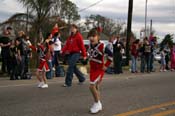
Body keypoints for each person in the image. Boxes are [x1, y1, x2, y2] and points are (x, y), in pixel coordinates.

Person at [87, 27, 113, 114]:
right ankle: (99, 103)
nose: (91, 38)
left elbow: (111, 56)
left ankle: (97, 103)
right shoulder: (90, 46)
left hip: (99, 69)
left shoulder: (102, 46)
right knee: (96, 86)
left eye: (93, 36)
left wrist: (106, 65)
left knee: (91, 86)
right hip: (93, 69)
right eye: (90, 36)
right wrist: (87, 63)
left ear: (98, 37)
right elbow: (90, 56)